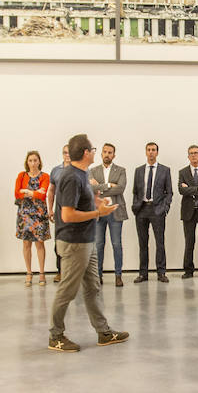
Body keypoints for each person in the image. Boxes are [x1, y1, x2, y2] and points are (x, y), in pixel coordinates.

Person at [48, 134, 130, 353]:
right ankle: (56, 336)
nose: (96, 152)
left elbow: (87, 198)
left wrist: (99, 201)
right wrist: (97, 212)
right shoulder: (70, 177)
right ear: (86, 152)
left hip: (87, 241)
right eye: (93, 149)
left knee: (93, 287)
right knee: (67, 290)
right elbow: (66, 215)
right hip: (73, 243)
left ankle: (103, 332)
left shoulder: (83, 174)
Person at [131, 141, 172, 283]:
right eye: (148, 150)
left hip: (157, 210)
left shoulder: (165, 170)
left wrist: (164, 208)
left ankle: (161, 272)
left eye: (153, 150)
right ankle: (143, 273)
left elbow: (169, 192)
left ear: (157, 152)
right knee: (143, 243)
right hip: (141, 209)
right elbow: (135, 191)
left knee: (160, 242)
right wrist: (135, 206)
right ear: (145, 152)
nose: (151, 152)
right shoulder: (139, 170)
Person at [89, 143, 127, 287]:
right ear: (101, 154)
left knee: (116, 244)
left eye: (110, 152)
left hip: (115, 211)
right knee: (98, 245)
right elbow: (91, 189)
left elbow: (121, 189)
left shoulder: (121, 170)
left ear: (114, 155)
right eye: (105, 152)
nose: (107, 154)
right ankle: (98, 276)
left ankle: (118, 275)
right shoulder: (93, 170)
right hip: (98, 212)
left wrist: (100, 187)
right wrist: (109, 185)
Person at [14, 150, 51, 285]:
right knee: (26, 244)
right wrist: (34, 192)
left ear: (39, 162)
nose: (33, 163)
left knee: (40, 243)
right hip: (24, 214)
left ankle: (42, 273)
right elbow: (17, 194)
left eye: (35, 160)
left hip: (39, 214)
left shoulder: (45, 176)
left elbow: (43, 194)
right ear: (27, 162)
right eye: (30, 160)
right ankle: (29, 272)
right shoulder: (21, 175)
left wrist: (27, 192)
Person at [178, 144, 198, 280]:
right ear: (188, 156)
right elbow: (181, 190)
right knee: (189, 242)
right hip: (188, 212)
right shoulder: (183, 172)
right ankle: (188, 270)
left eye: (196, 153)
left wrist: (190, 188)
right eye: (191, 153)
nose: (194, 155)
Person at [47, 144, 70, 282]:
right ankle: (60, 271)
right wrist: (50, 209)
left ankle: (75, 273)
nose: (67, 155)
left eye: (69, 153)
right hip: (60, 213)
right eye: (65, 153)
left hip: (75, 213)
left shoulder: (81, 170)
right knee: (59, 243)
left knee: (76, 244)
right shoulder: (56, 171)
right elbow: (51, 191)